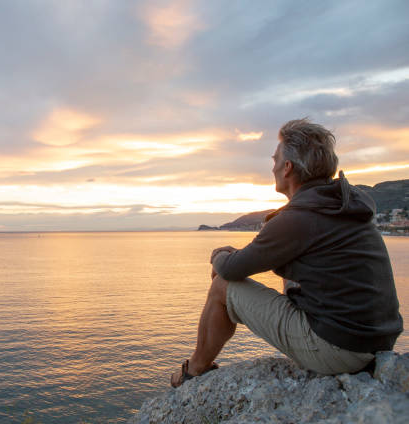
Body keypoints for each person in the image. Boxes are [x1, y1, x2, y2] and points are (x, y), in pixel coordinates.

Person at [171, 118, 403, 387]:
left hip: (341, 350)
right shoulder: (341, 204)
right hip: (378, 340)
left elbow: (231, 270)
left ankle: (194, 372)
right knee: (287, 278)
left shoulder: (300, 217)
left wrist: (219, 254)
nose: (272, 167)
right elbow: (266, 255)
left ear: (287, 167)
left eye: (275, 160)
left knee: (223, 286)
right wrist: (237, 256)